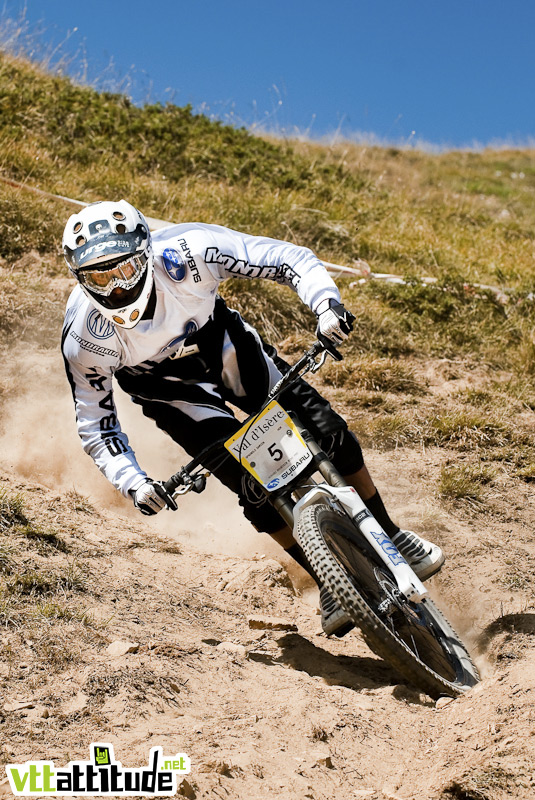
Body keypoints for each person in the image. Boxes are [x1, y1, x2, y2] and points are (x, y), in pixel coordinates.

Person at [61, 200, 444, 636]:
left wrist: (326, 305)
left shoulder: (191, 251)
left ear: (146, 252)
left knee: (326, 430)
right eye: (100, 277)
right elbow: (96, 421)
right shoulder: (83, 338)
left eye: (125, 270)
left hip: (220, 344)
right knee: (251, 487)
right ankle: (328, 582)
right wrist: (132, 480)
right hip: (166, 390)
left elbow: (286, 258)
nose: (116, 289)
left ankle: (391, 535)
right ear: (80, 279)